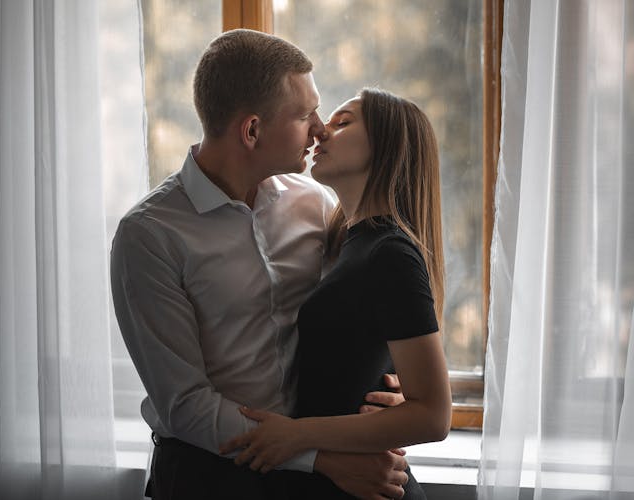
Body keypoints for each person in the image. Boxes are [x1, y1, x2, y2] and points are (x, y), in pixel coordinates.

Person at [110, 30, 409, 500]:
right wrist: (322, 463)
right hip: (207, 476)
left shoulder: (316, 202)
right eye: (304, 114)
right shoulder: (148, 236)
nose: (320, 129)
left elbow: (363, 317)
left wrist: (394, 393)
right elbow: (186, 406)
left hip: (314, 466)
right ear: (252, 131)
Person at [220, 88, 452, 499]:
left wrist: (295, 435)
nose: (322, 131)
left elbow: (434, 416)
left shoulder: (390, 253)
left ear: (388, 145)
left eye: (343, 122)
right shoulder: (346, 241)